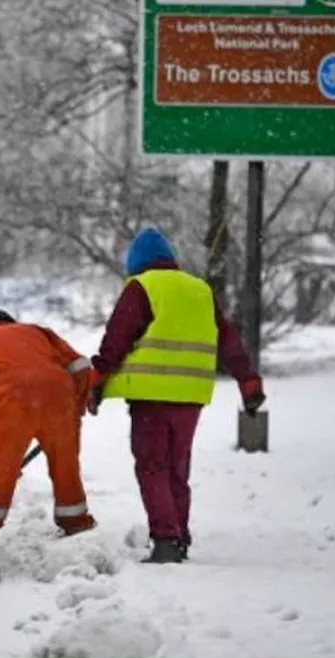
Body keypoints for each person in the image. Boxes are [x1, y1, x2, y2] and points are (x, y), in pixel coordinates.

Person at [88, 226, 266, 564]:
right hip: (191, 396)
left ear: (136, 264)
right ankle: (178, 536)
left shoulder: (142, 287)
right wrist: (248, 382)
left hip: (151, 397)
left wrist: (97, 378)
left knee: (152, 466)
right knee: (176, 468)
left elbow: (117, 339)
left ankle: (167, 540)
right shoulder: (200, 289)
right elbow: (228, 339)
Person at [0, 309, 96, 585]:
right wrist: (78, 405)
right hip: (58, 396)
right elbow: (80, 366)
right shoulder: (37, 333)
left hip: (11, 400)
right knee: (66, 467)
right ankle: (77, 526)